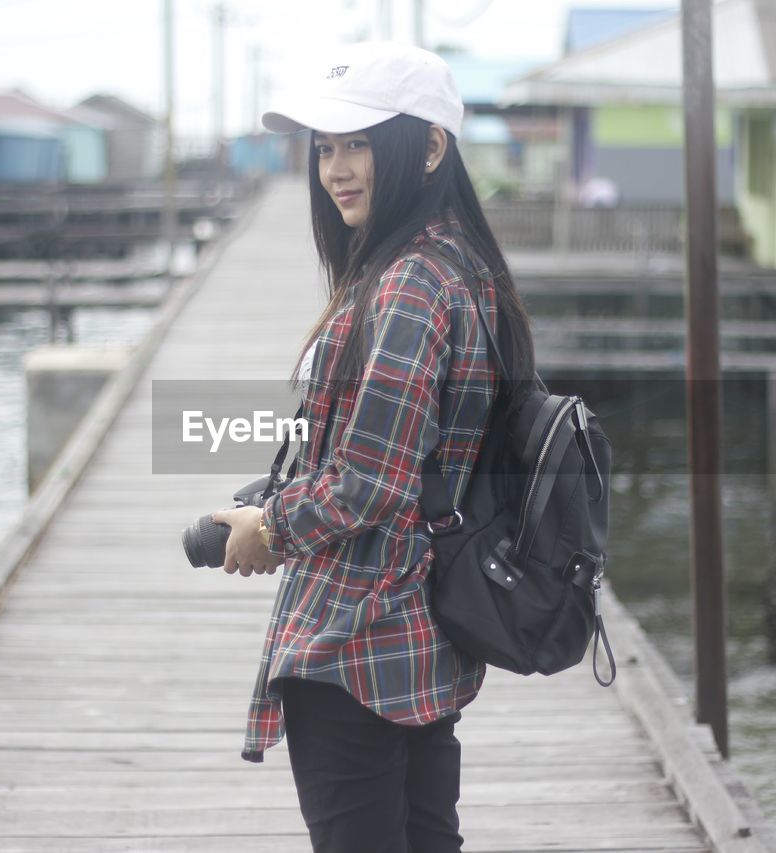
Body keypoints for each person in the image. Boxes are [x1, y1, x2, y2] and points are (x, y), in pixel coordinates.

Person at [210, 40, 536, 853]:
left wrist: (269, 530)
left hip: (355, 644)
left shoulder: (410, 281)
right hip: (423, 642)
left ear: (430, 145)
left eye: (359, 143)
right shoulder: (467, 267)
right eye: (325, 148)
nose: (336, 168)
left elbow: (370, 479)